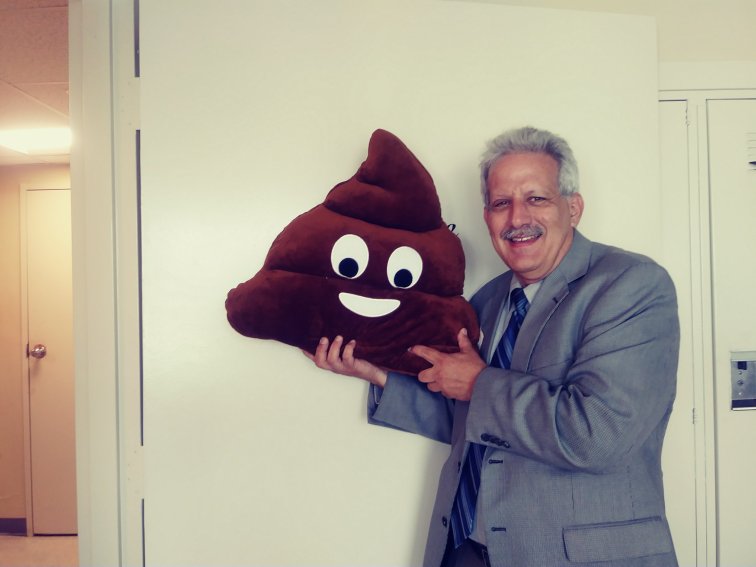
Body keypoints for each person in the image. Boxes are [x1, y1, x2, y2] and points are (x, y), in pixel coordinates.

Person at [306, 126, 680, 567]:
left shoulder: (631, 285)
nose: (518, 218)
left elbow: (598, 434)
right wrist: (378, 375)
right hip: (467, 549)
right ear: (486, 217)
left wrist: (478, 383)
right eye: (502, 203)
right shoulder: (487, 301)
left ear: (573, 208)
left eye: (536, 198)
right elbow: (474, 419)